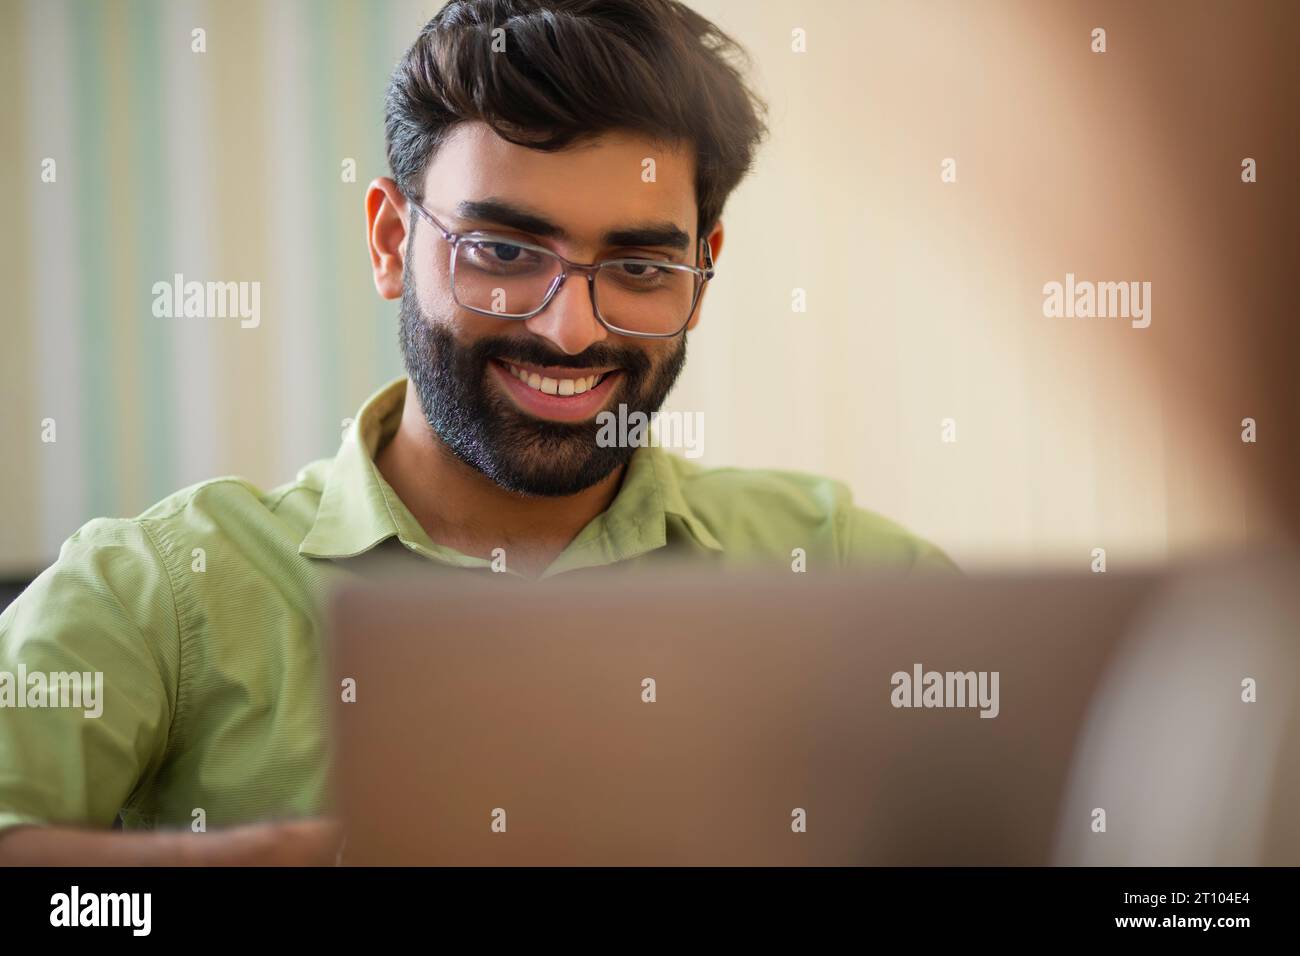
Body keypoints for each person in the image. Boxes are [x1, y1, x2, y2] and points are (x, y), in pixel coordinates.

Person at [0, 0, 951, 865]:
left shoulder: (828, 564)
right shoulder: (164, 594)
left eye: (639, 266)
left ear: (702, 277)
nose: (569, 330)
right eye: (501, 251)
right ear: (388, 241)